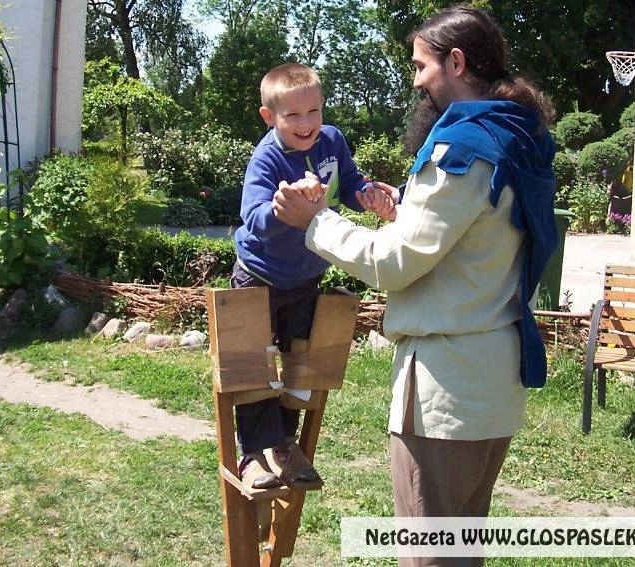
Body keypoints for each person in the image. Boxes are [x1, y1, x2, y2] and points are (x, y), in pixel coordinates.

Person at [273, 7, 557, 565]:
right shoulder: (515, 136)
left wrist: (317, 221)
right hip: (490, 389)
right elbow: (477, 236)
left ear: (456, 61)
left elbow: (397, 262)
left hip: (446, 393)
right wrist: (409, 209)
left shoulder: (462, 147)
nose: (416, 79)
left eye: (422, 65)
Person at [233, 62, 391, 490]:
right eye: (293, 116)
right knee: (253, 368)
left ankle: (283, 446)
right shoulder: (266, 157)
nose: (307, 124)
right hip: (259, 278)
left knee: (300, 364)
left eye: (314, 112)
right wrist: (284, 206)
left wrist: (368, 195)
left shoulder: (333, 141)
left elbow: (350, 183)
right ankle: (251, 455)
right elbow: (253, 218)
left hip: (305, 278)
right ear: (270, 117)